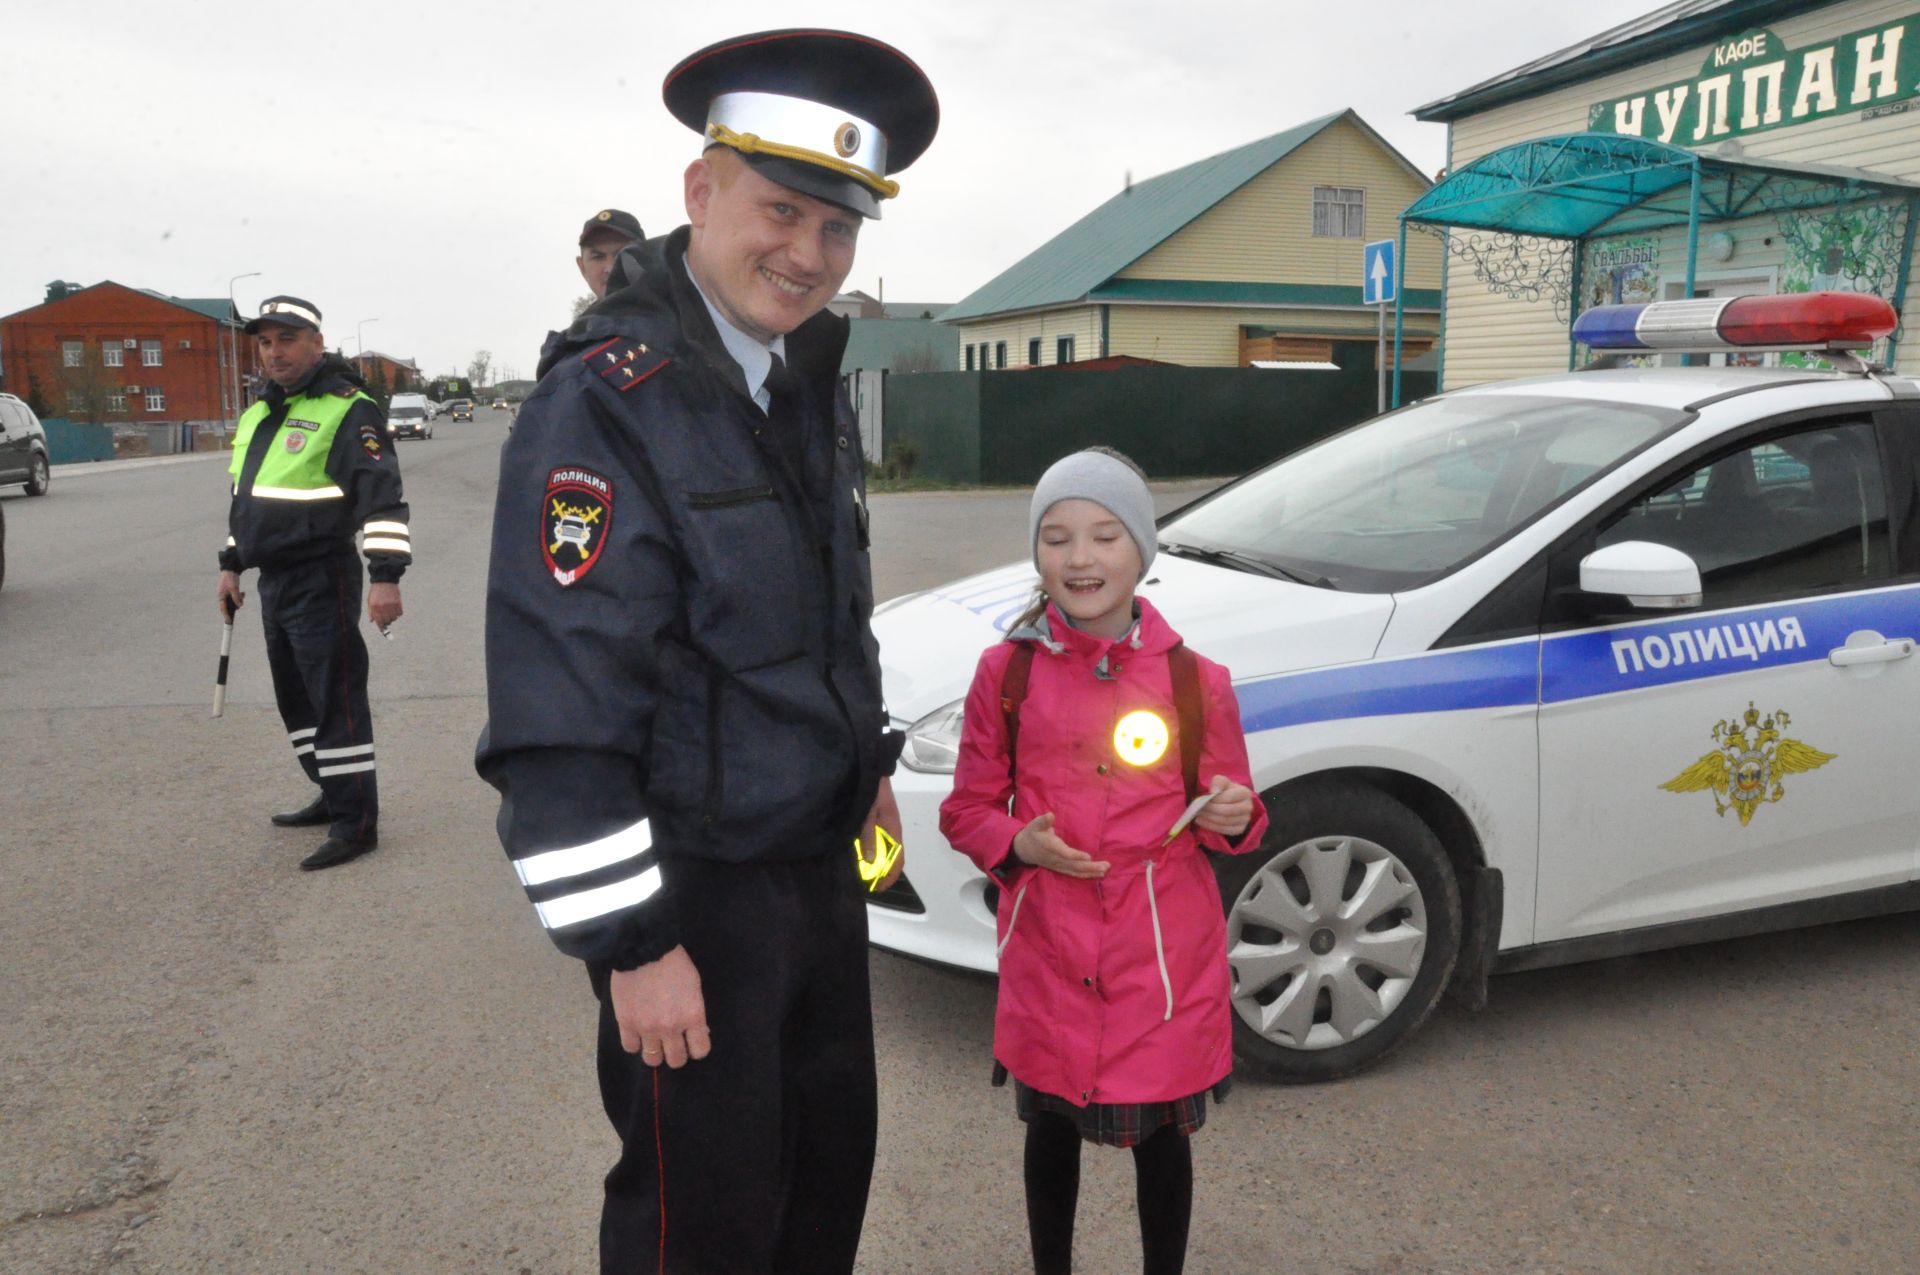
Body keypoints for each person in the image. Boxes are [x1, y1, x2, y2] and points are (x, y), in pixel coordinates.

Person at [475, 29, 937, 1275]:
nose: (808, 254)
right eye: (780, 211)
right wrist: (633, 944)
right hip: (695, 894)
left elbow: (827, 613)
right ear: (700, 193)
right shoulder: (608, 401)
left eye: (839, 230)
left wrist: (868, 757)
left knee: (824, 1183)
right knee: (703, 1225)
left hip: (817, 871)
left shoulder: (804, 377)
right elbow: (556, 711)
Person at [938, 448, 1269, 1275]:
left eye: (1104, 535)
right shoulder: (1005, 673)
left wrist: (1233, 814)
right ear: (1037, 552)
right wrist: (1018, 843)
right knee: (1049, 1132)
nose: (1080, 558)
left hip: (1158, 963)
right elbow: (967, 807)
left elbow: (1240, 811)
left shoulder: (1197, 681)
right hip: (1048, 949)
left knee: (1161, 1141)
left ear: (1141, 551)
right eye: (1056, 537)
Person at [217, 295, 410, 871]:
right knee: (295, 699)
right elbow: (243, 499)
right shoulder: (258, 413)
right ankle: (331, 793)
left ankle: (357, 824)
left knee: (336, 699)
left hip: (322, 573)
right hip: (273, 580)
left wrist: (385, 578)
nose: (274, 352)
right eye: (265, 342)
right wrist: (231, 563)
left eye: (287, 340)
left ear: (317, 344)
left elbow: (382, 499)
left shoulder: (348, 408)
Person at [577, 207, 644, 300]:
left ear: (645, 258)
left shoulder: (669, 310)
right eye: (598, 257)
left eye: (621, 255)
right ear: (582, 267)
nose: (610, 268)